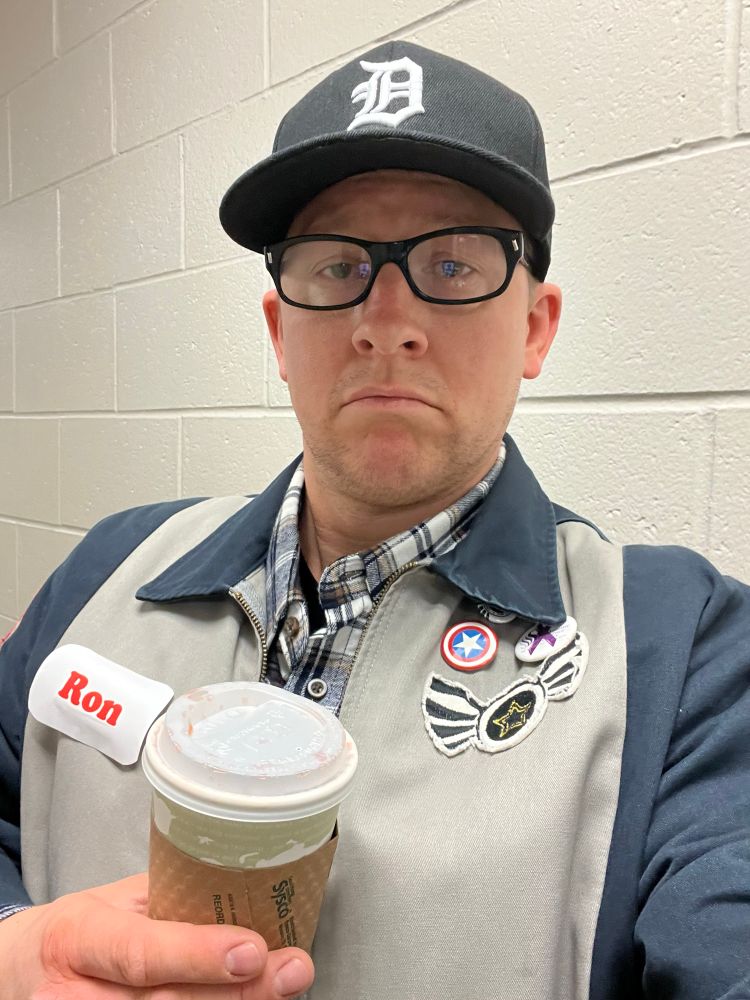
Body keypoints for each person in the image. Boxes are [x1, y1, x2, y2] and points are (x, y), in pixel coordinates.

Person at [0, 40, 748, 1000]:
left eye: (452, 262)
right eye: (337, 263)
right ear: (280, 330)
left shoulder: (686, 655)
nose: (385, 318)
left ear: (535, 327)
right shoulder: (109, 569)